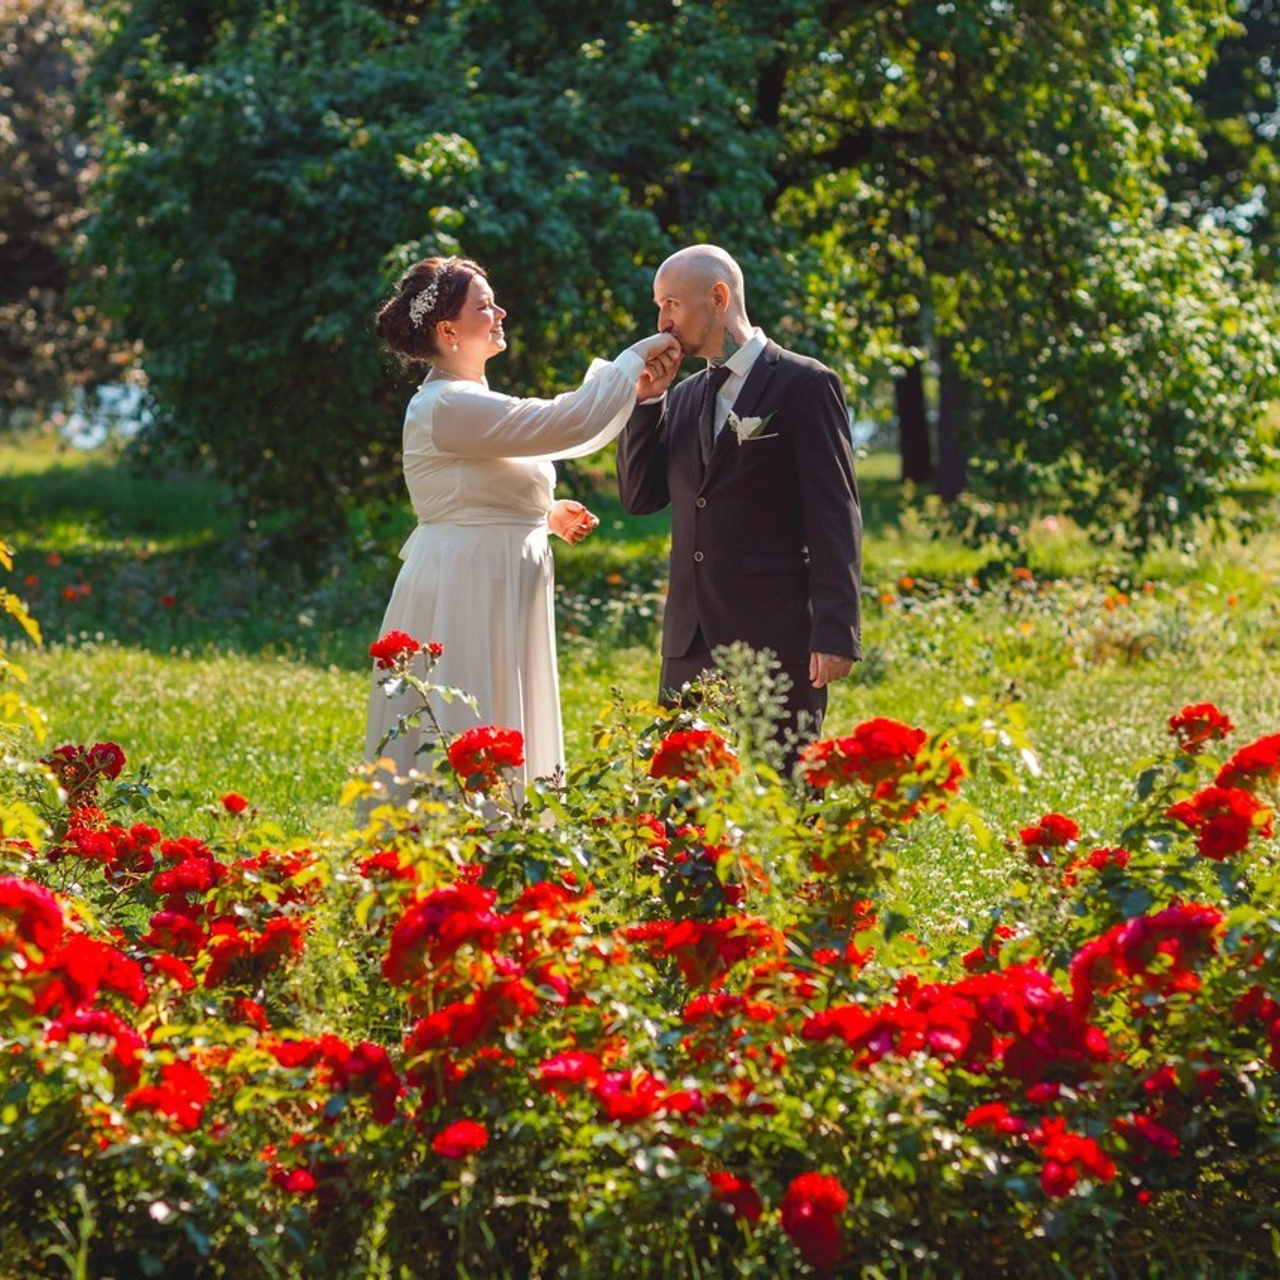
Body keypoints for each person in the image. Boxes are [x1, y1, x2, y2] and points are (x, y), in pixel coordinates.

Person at [365, 255, 680, 798]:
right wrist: (630, 364)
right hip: (468, 585)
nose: (501, 311)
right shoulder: (448, 404)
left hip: (497, 578)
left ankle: (506, 845)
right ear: (448, 330)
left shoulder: (473, 402)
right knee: (471, 708)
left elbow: (487, 480)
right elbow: (567, 423)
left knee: (502, 710)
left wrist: (546, 513)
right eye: (485, 306)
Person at [617, 244, 862, 763]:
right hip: (689, 642)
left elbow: (835, 515)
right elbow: (640, 498)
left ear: (719, 298)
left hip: (776, 637)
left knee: (782, 797)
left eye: (671, 305)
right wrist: (646, 402)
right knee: (683, 812)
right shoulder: (681, 397)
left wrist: (836, 631)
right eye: (659, 307)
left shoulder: (806, 384)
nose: (661, 321)